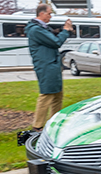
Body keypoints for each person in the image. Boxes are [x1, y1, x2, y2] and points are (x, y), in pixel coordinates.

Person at [25, 4, 72, 132]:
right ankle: (37, 126)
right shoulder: (36, 29)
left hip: (52, 64)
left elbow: (52, 40)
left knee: (57, 94)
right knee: (46, 94)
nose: (50, 16)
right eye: (49, 13)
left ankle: (55, 122)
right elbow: (56, 42)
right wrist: (66, 30)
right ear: (42, 14)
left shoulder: (41, 28)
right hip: (46, 65)